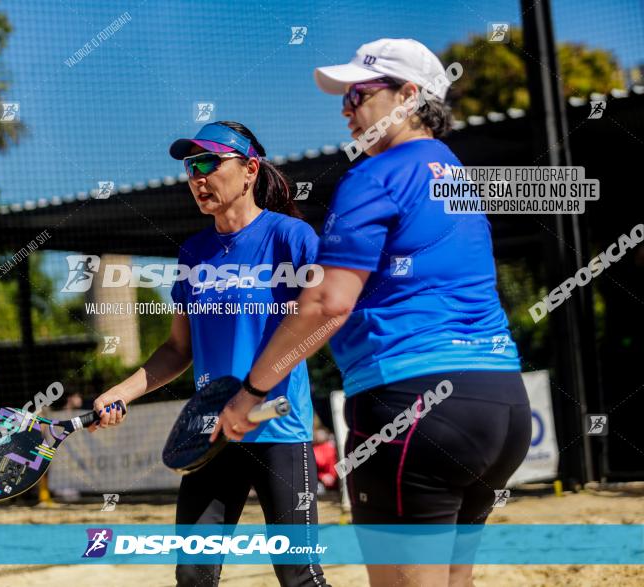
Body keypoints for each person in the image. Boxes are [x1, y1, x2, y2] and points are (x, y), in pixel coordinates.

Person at [212, 39, 531, 587]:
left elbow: (329, 302)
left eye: (358, 93)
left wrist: (251, 395)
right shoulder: (455, 173)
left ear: (409, 96)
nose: (345, 107)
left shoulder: (373, 174)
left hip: (414, 404)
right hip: (501, 403)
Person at [92, 121, 330, 587]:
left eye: (208, 163)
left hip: (278, 427)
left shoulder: (292, 238)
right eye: (189, 167)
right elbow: (178, 348)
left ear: (249, 170)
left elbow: (323, 319)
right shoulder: (193, 253)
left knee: (298, 575)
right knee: (194, 574)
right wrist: (121, 391)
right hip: (210, 432)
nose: (197, 176)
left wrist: (262, 385)